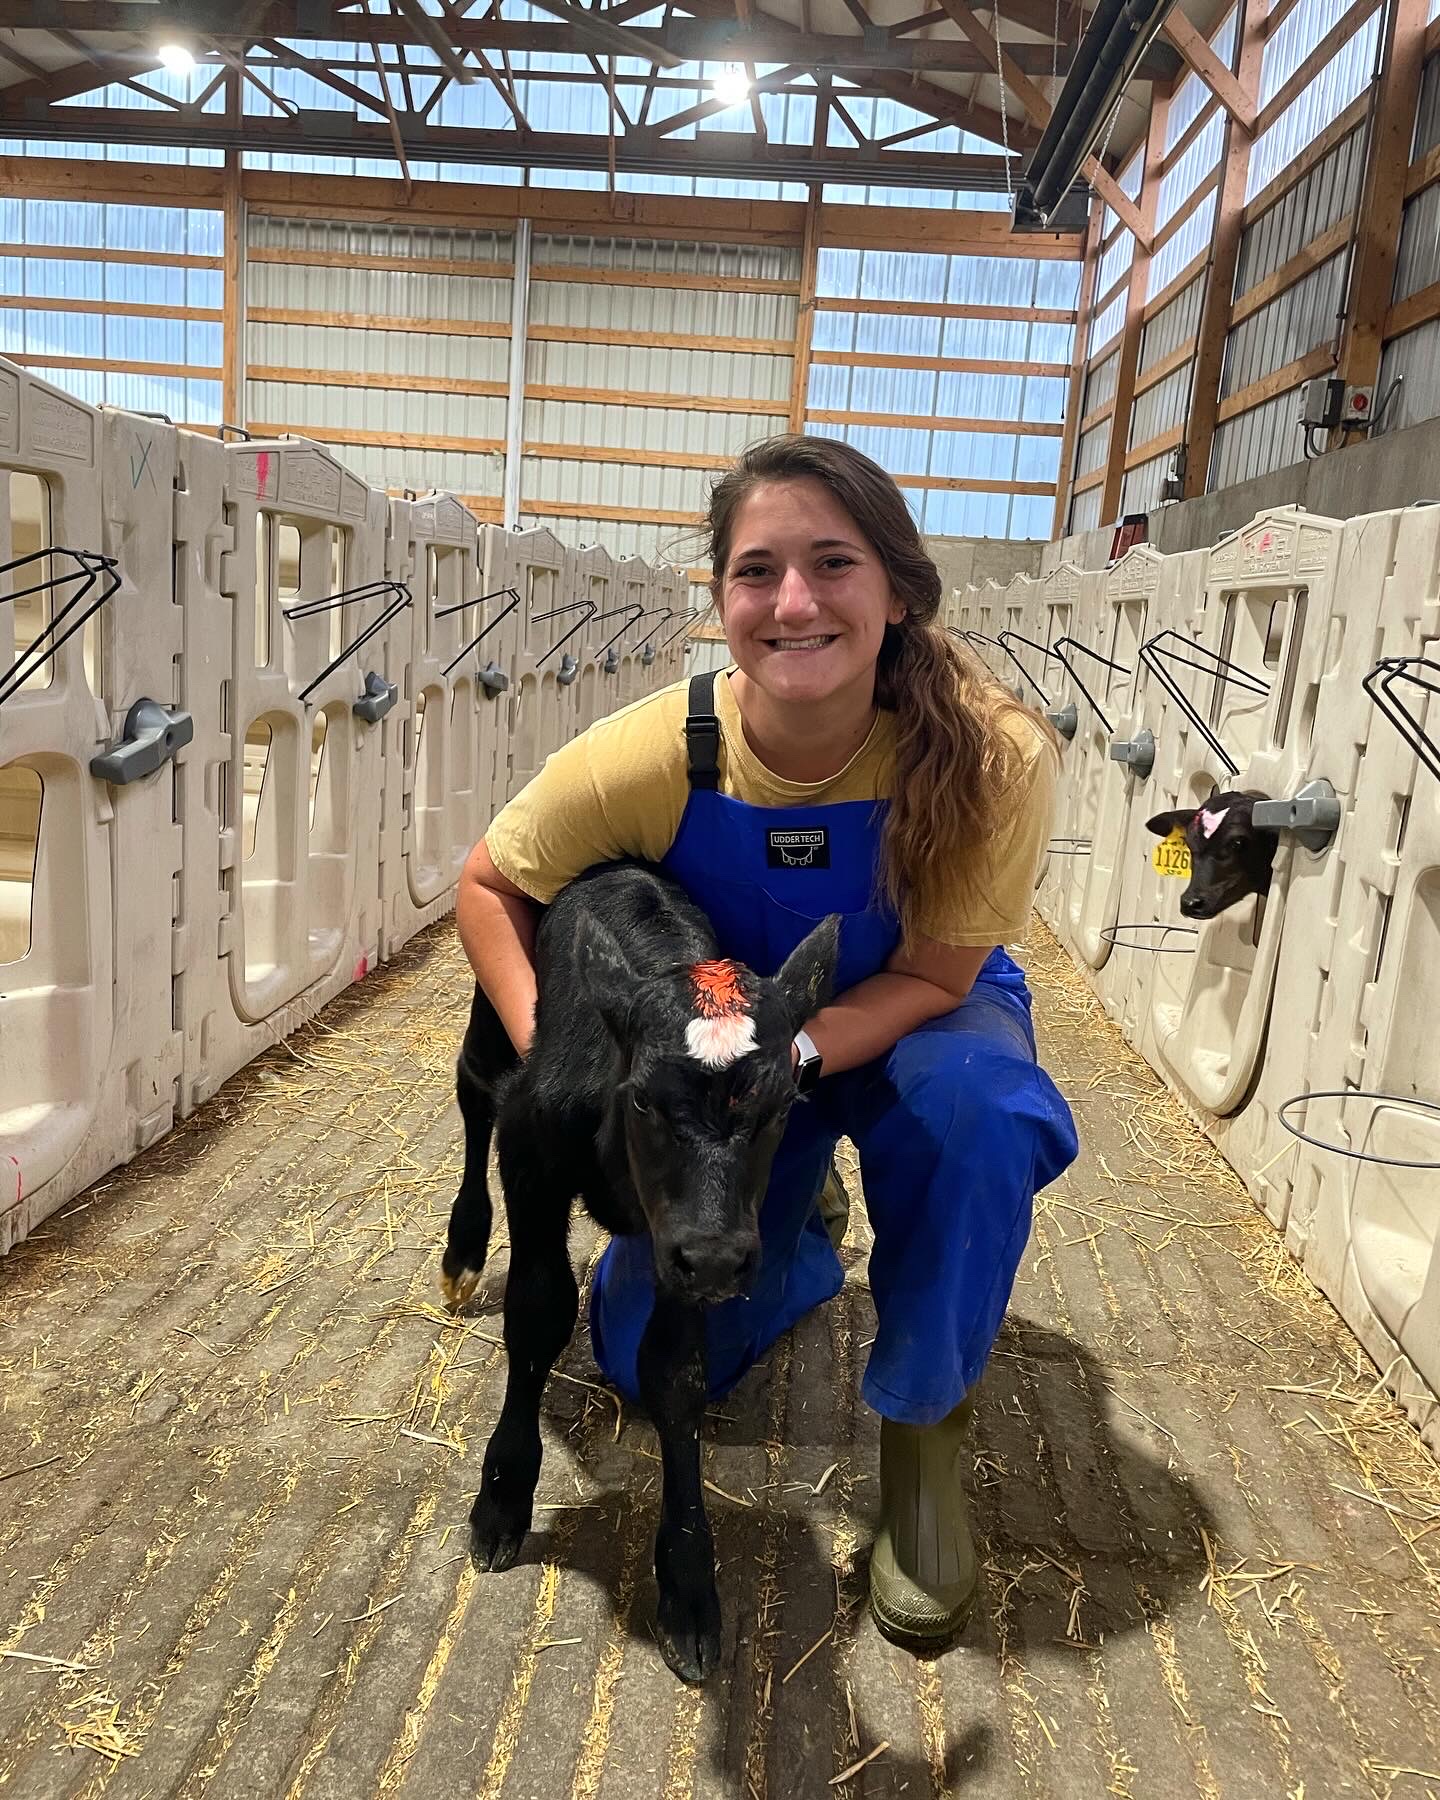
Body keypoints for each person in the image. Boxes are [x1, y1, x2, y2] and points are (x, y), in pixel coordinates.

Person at [457, 435, 1079, 1651]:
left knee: (980, 1115)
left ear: (897, 588)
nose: (793, 602)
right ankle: (798, 1239)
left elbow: (936, 972)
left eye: (832, 563)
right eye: (757, 572)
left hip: (913, 1017)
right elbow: (489, 885)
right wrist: (572, 1067)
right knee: (638, 1359)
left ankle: (921, 1442)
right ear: (721, 600)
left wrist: (786, 1063)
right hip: (716, 1050)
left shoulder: (994, 752)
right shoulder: (658, 747)